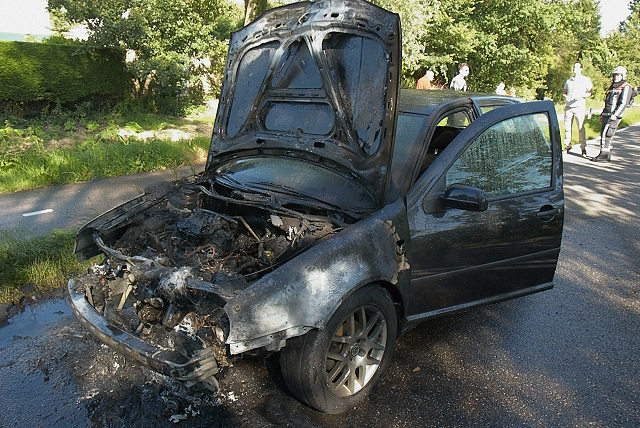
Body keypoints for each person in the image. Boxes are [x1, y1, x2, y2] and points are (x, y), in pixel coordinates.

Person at [594, 66, 633, 162]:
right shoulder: (613, 86)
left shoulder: (626, 87)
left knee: (607, 134)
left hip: (614, 115)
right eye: (615, 75)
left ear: (623, 76)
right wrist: (603, 114)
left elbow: (623, 103)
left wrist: (615, 114)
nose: (616, 77)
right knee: (604, 133)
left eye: (618, 75)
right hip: (607, 114)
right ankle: (606, 154)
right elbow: (607, 102)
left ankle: (604, 154)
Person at [563, 62, 593, 156]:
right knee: (567, 127)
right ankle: (567, 146)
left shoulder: (585, 80)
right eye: (574, 67)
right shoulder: (569, 81)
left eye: (577, 67)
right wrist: (566, 97)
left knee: (581, 127)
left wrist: (582, 96)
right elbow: (564, 92)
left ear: (581, 69)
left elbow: (590, 92)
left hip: (579, 106)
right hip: (569, 106)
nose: (575, 69)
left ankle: (583, 147)